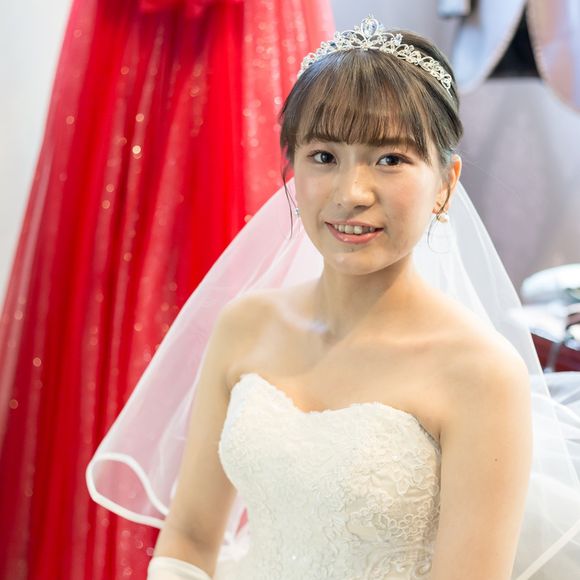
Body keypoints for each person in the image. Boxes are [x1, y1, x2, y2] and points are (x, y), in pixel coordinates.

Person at [86, 16, 580, 579]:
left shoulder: (480, 372)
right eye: (324, 156)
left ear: (445, 183)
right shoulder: (245, 325)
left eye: (390, 159)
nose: (351, 193)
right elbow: (192, 535)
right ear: (293, 168)